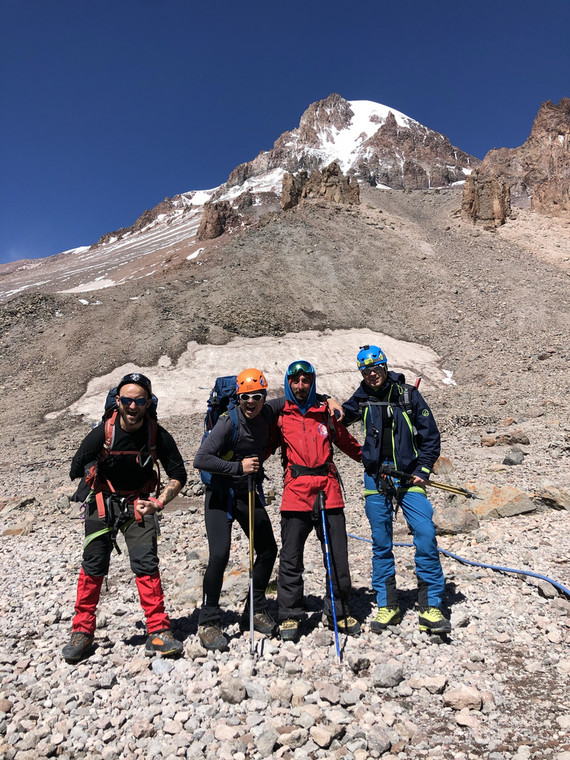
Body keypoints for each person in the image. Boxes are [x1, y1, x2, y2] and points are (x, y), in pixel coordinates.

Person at [62, 373, 187, 663]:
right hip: (101, 504)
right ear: (118, 401)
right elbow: (75, 466)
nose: (133, 406)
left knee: (146, 565)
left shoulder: (157, 434)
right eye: (128, 400)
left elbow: (178, 474)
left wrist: (157, 502)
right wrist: (95, 468)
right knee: (93, 566)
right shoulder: (102, 432)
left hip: (139, 506)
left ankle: (158, 630)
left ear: (148, 403)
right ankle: (81, 632)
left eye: (139, 400)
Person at [342, 345, 451, 635]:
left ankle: (430, 605)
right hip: (376, 478)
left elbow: (431, 436)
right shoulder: (361, 398)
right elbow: (341, 416)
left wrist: (423, 471)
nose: (372, 374)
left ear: (385, 366)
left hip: (409, 477)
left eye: (376, 368)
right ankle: (387, 604)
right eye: (366, 370)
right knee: (381, 543)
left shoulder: (408, 395)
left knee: (425, 535)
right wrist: (329, 405)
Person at [193, 368, 280, 651]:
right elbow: (201, 459)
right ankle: (208, 620)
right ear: (238, 398)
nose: (251, 402)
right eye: (245, 397)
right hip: (220, 494)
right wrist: (236, 468)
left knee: (268, 549)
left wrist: (327, 399)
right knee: (220, 554)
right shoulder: (227, 423)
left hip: (247, 493)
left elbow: (292, 398)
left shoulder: (267, 412)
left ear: (264, 396)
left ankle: (253, 609)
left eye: (257, 396)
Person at [277, 360, 362, 643]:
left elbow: (348, 443)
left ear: (312, 382)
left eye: (305, 380)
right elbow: (258, 443)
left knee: (337, 556)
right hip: (296, 494)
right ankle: (290, 613)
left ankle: (338, 611)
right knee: (290, 559)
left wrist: (375, 461)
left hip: (329, 492)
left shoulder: (325, 413)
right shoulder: (279, 415)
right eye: (295, 381)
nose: (301, 386)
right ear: (288, 383)